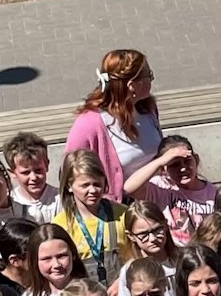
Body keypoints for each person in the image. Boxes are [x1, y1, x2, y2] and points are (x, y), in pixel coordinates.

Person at [65, 50, 161, 200]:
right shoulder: (89, 123)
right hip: (120, 211)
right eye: (149, 75)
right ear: (133, 85)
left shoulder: (148, 109)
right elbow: (70, 171)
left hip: (158, 202)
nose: (152, 80)